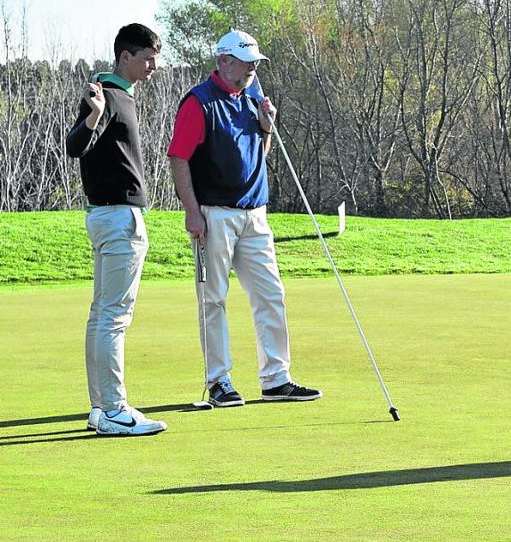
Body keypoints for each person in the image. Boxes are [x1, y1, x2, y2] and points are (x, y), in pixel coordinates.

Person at [167, 28, 321, 407]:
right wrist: (192, 213)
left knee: (271, 294)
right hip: (213, 214)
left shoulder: (253, 95)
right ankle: (219, 381)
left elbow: (259, 153)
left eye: (255, 63)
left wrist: (267, 125)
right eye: (246, 63)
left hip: (255, 213)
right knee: (213, 299)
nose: (253, 69)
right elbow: (178, 158)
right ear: (224, 61)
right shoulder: (199, 103)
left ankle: (276, 378)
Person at [65, 23, 167, 436]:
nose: (153, 67)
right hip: (118, 216)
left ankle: (101, 408)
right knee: (113, 317)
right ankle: (112, 409)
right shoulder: (105, 95)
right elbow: (75, 146)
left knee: (102, 316)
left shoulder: (120, 96)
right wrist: (92, 114)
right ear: (126, 56)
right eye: (147, 58)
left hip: (110, 215)